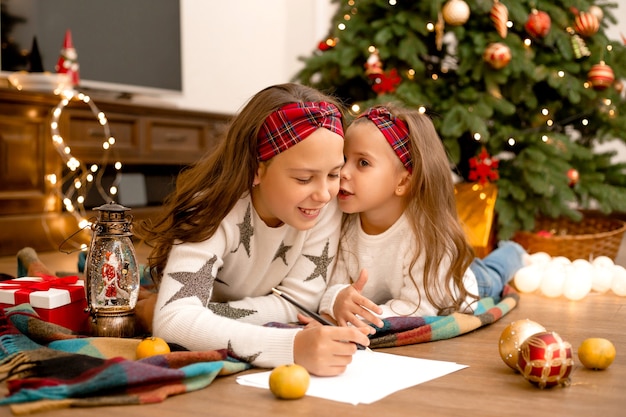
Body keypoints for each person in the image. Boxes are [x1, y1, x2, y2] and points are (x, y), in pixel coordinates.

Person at [135, 83, 370, 377]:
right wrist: (291, 346)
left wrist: (202, 315)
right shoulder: (212, 209)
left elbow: (301, 300)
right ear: (255, 169)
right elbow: (173, 321)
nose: (324, 193)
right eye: (303, 178)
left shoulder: (323, 208)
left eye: (334, 174)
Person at [319, 104, 528, 330]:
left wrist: (358, 317)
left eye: (363, 163)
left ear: (402, 182)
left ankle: (514, 251)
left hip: (456, 284)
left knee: (492, 274)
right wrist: (337, 300)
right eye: (344, 159)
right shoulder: (343, 222)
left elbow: (418, 308)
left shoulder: (426, 236)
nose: (344, 172)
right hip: (396, 295)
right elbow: (333, 284)